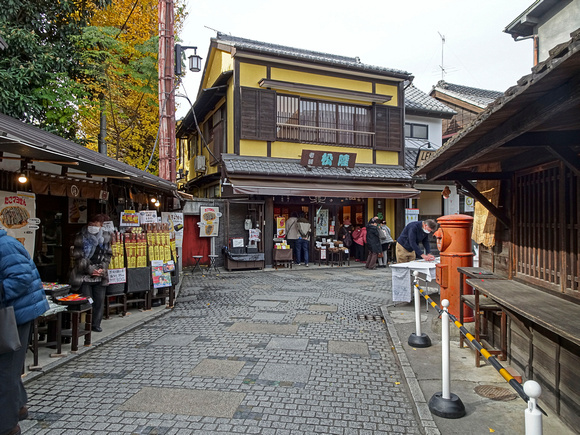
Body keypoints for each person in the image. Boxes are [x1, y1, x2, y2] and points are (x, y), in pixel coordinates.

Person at [0, 230, 49, 435]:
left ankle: (8, 426)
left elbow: (21, 278)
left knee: (5, 372)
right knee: (8, 368)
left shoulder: (5, 246)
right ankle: (19, 407)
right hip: (13, 312)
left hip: (16, 314)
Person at [69, 213, 112, 333]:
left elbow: (108, 255)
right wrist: (91, 270)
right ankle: (86, 323)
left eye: (98, 224)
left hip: (100, 275)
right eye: (93, 223)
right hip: (84, 276)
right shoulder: (80, 237)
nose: (96, 225)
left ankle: (96, 324)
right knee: (88, 301)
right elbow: (78, 256)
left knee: (99, 301)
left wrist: (102, 268)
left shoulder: (106, 237)